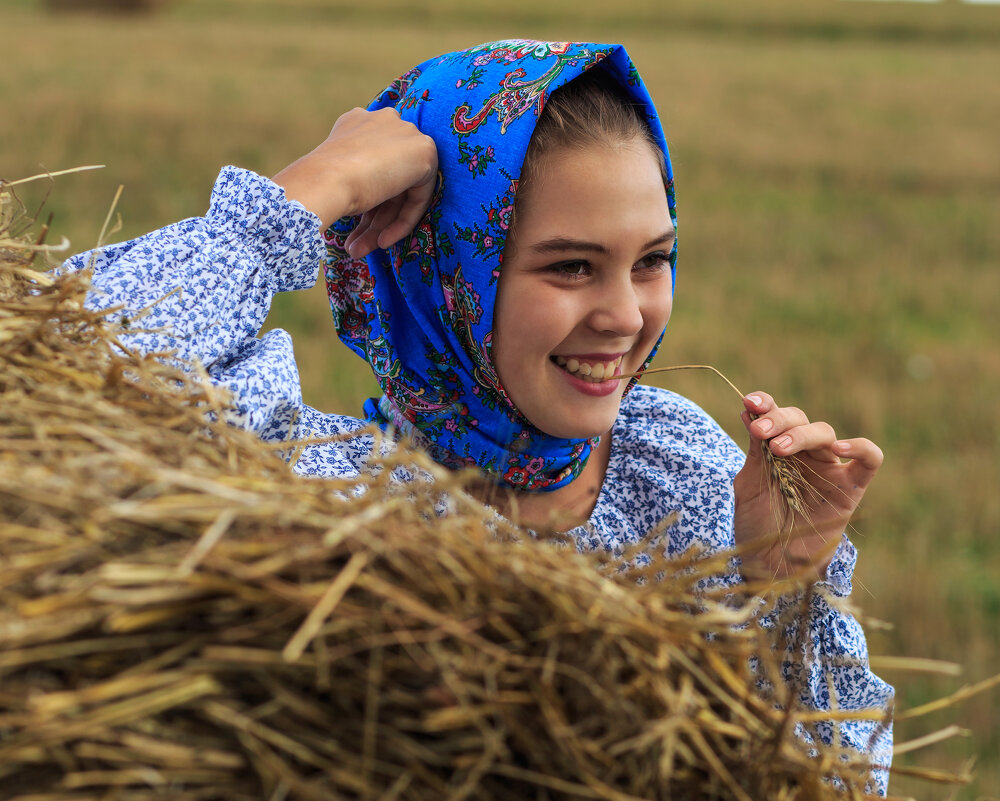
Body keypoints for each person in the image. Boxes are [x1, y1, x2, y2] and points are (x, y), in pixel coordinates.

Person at [64, 40, 893, 793]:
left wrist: (777, 587)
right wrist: (318, 187)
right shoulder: (321, 501)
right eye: (570, 266)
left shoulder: (681, 466)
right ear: (446, 275)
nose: (625, 316)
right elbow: (64, 371)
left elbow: (836, 781)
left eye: (651, 260)